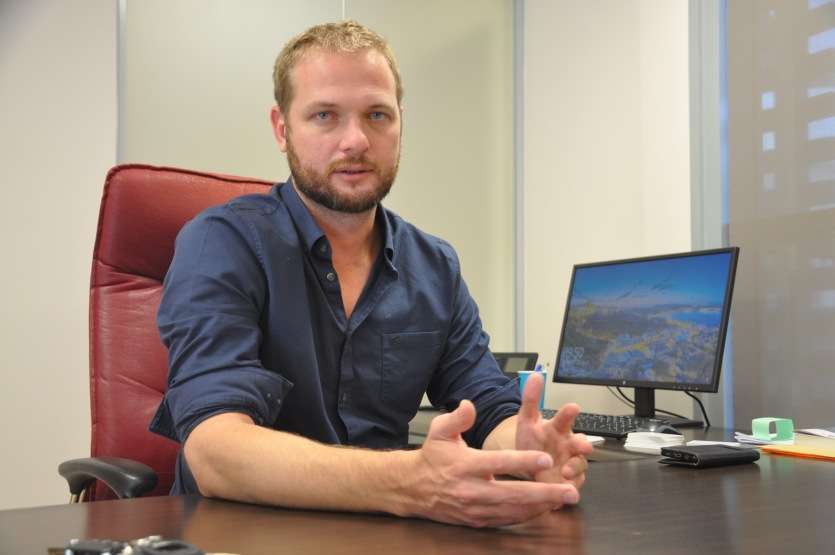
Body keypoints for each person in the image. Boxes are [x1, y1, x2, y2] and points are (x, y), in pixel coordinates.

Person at [150, 20, 592, 529]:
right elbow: (215, 452)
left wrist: (527, 448)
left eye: (377, 115)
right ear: (282, 129)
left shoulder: (435, 266)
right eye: (325, 116)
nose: (356, 141)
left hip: (386, 534)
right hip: (242, 534)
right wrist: (410, 482)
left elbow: (487, 403)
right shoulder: (223, 243)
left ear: (401, 123)